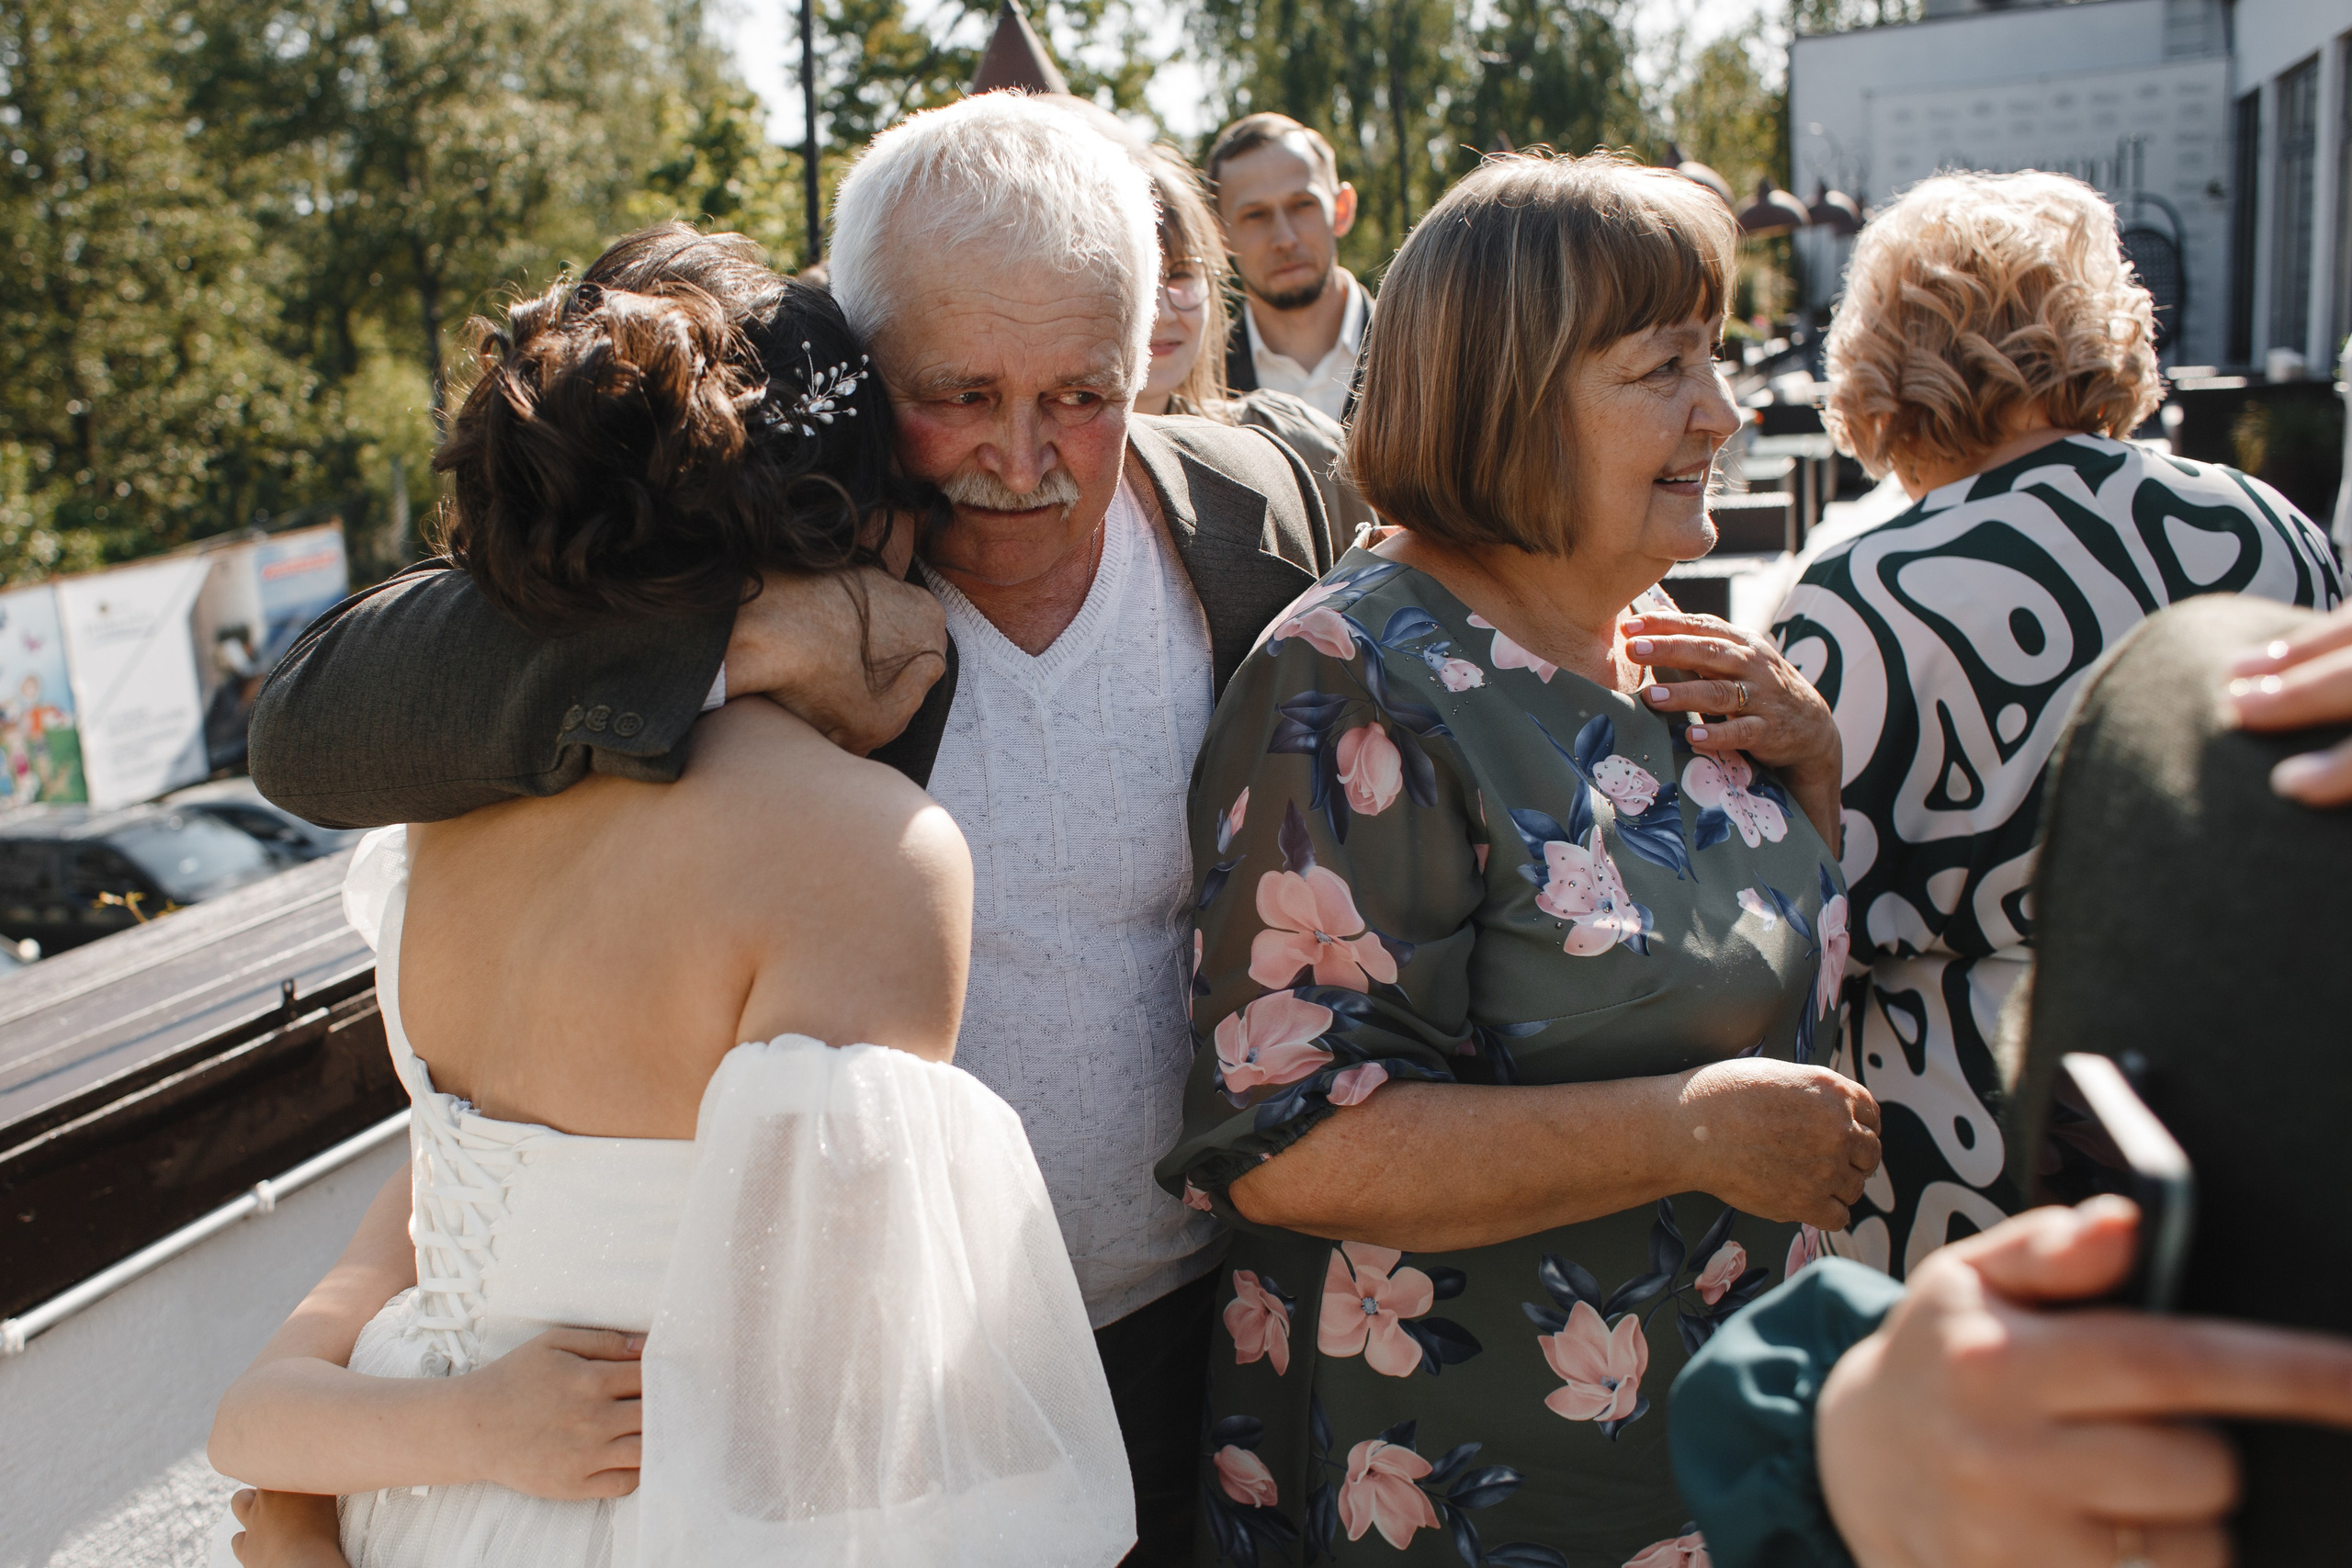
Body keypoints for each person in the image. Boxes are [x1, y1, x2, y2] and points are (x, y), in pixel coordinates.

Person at [243, 93, 1349, 1566]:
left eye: (1081, 394)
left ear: (1149, 343)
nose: (1025, 460)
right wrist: (744, 637)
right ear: (853, 349)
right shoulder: (771, 544)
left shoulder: (1258, 507)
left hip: (1210, 1330)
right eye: (958, 393)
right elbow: (314, 713)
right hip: (879, 1418)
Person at [1159, 151, 1883, 1566]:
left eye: (1716, 357)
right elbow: (1289, 1139)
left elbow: (1729, 963)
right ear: (1509, 395)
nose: (1722, 412)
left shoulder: (1658, 632)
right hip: (1463, 1497)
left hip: (1705, 1464)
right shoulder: (1354, 679)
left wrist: (1813, 782)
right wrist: (1685, 1125)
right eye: (1662, 368)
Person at [1671, 590, 2352, 1567]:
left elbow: (1837, 914)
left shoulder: (1856, 597)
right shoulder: (2259, 542)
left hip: (1941, 1123)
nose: (1726, 422)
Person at [1768, 170, 2342, 1278]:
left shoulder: (1862, 592)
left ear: (1884, 360)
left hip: (1979, 1138)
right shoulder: (2270, 525)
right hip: (2261, 1077)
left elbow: (1808, 907)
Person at [1125, 138, 1375, 541]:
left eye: (1182, 275)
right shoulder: (1027, 463)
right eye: (1136, 280)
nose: (1164, 312)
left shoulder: (1297, 442)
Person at [1207, 113, 1369, 423]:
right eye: (1255, 215)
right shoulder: (1195, 385)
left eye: (1302, 205)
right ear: (1219, 234)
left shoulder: (1423, 353)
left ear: (1341, 208)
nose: (1284, 239)